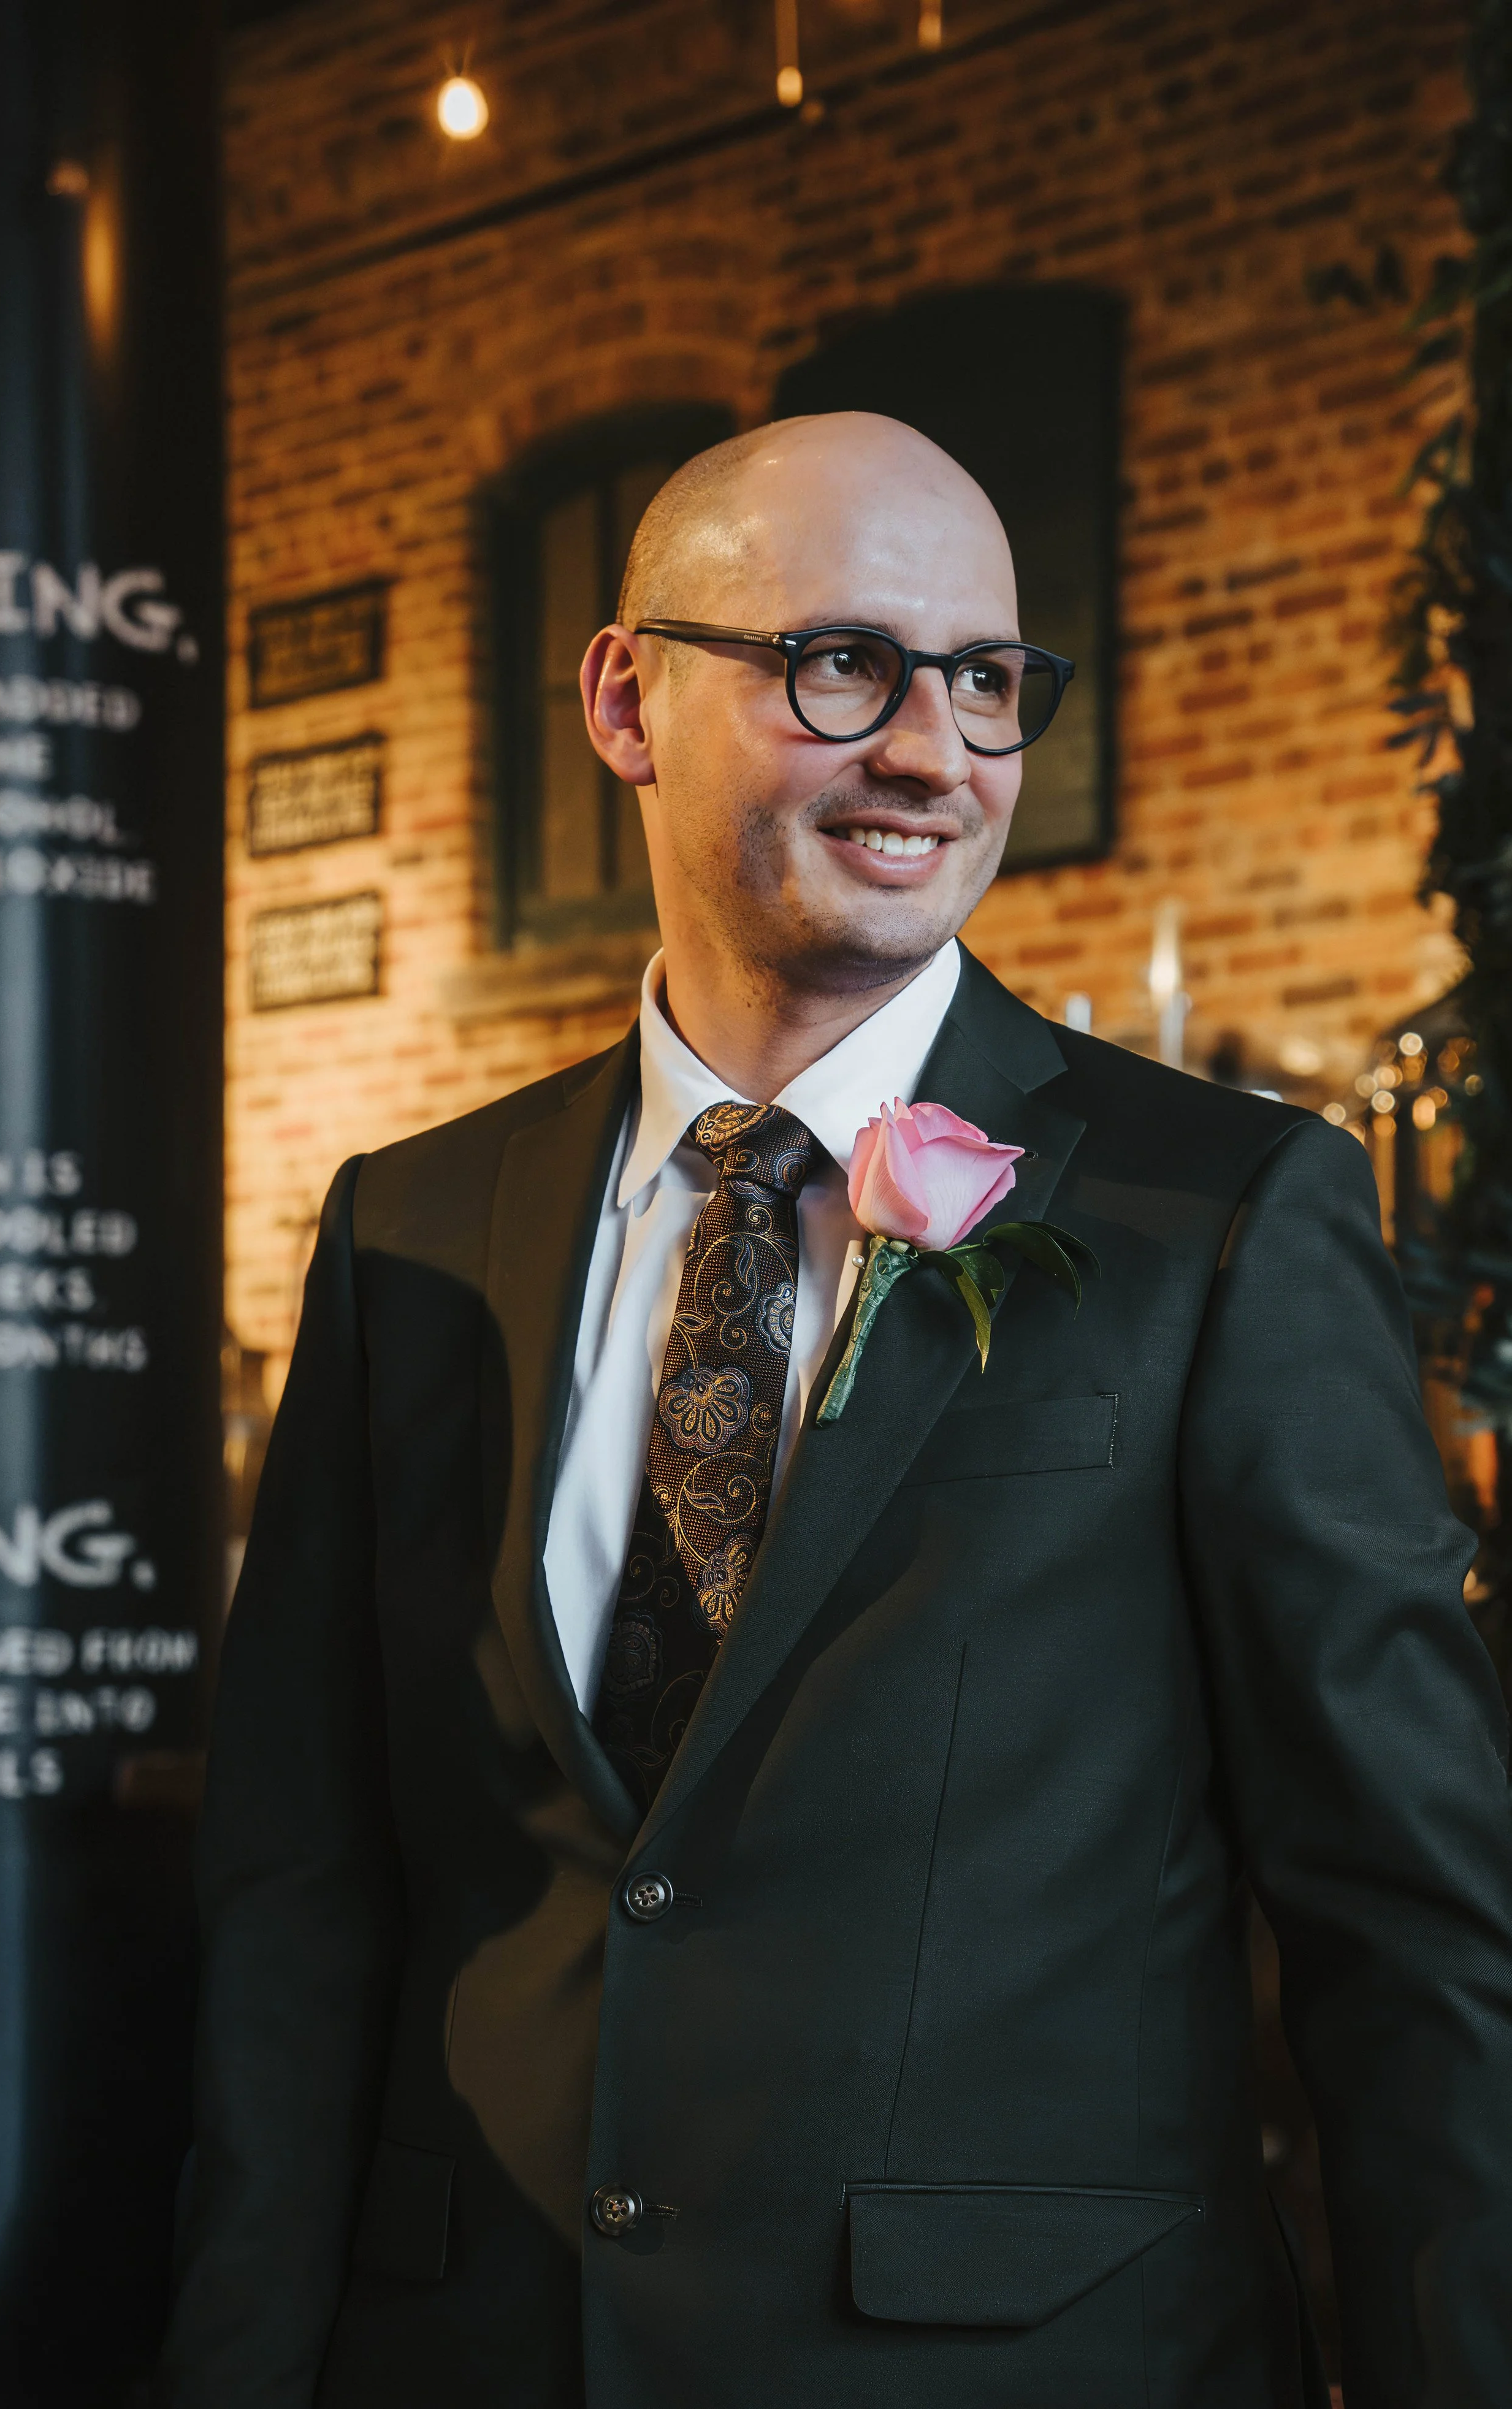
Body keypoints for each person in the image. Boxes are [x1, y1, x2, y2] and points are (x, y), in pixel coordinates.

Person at [162, 414, 1512, 2409]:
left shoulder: (1216, 1213)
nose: (932, 751)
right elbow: (302, 1887)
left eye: (984, 681)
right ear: (626, 697)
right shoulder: (410, 1227)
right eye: (841, 664)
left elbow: (1411, 1928)